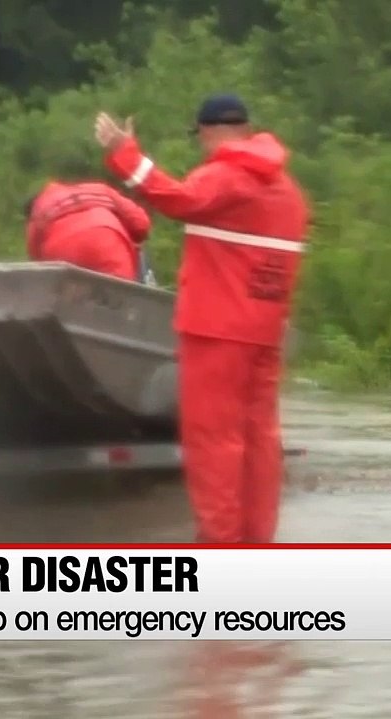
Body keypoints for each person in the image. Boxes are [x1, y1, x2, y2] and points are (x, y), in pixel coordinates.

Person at [93, 93, 310, 544]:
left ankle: (219, 550)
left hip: (216, 331)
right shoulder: (287, 191)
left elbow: (176, 197)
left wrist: (122, 152)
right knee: (259, 441)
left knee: (214, 442)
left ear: (208, 132)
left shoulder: (227, 177)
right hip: (266, 332)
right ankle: (256, 545)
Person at [23, 165, 151, 282]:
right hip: (108, 244)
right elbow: (142, 223)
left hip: (64, 259)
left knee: (73, 302)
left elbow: (37, 260)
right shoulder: (99, 188)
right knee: (120, 298)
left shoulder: (38, 210)